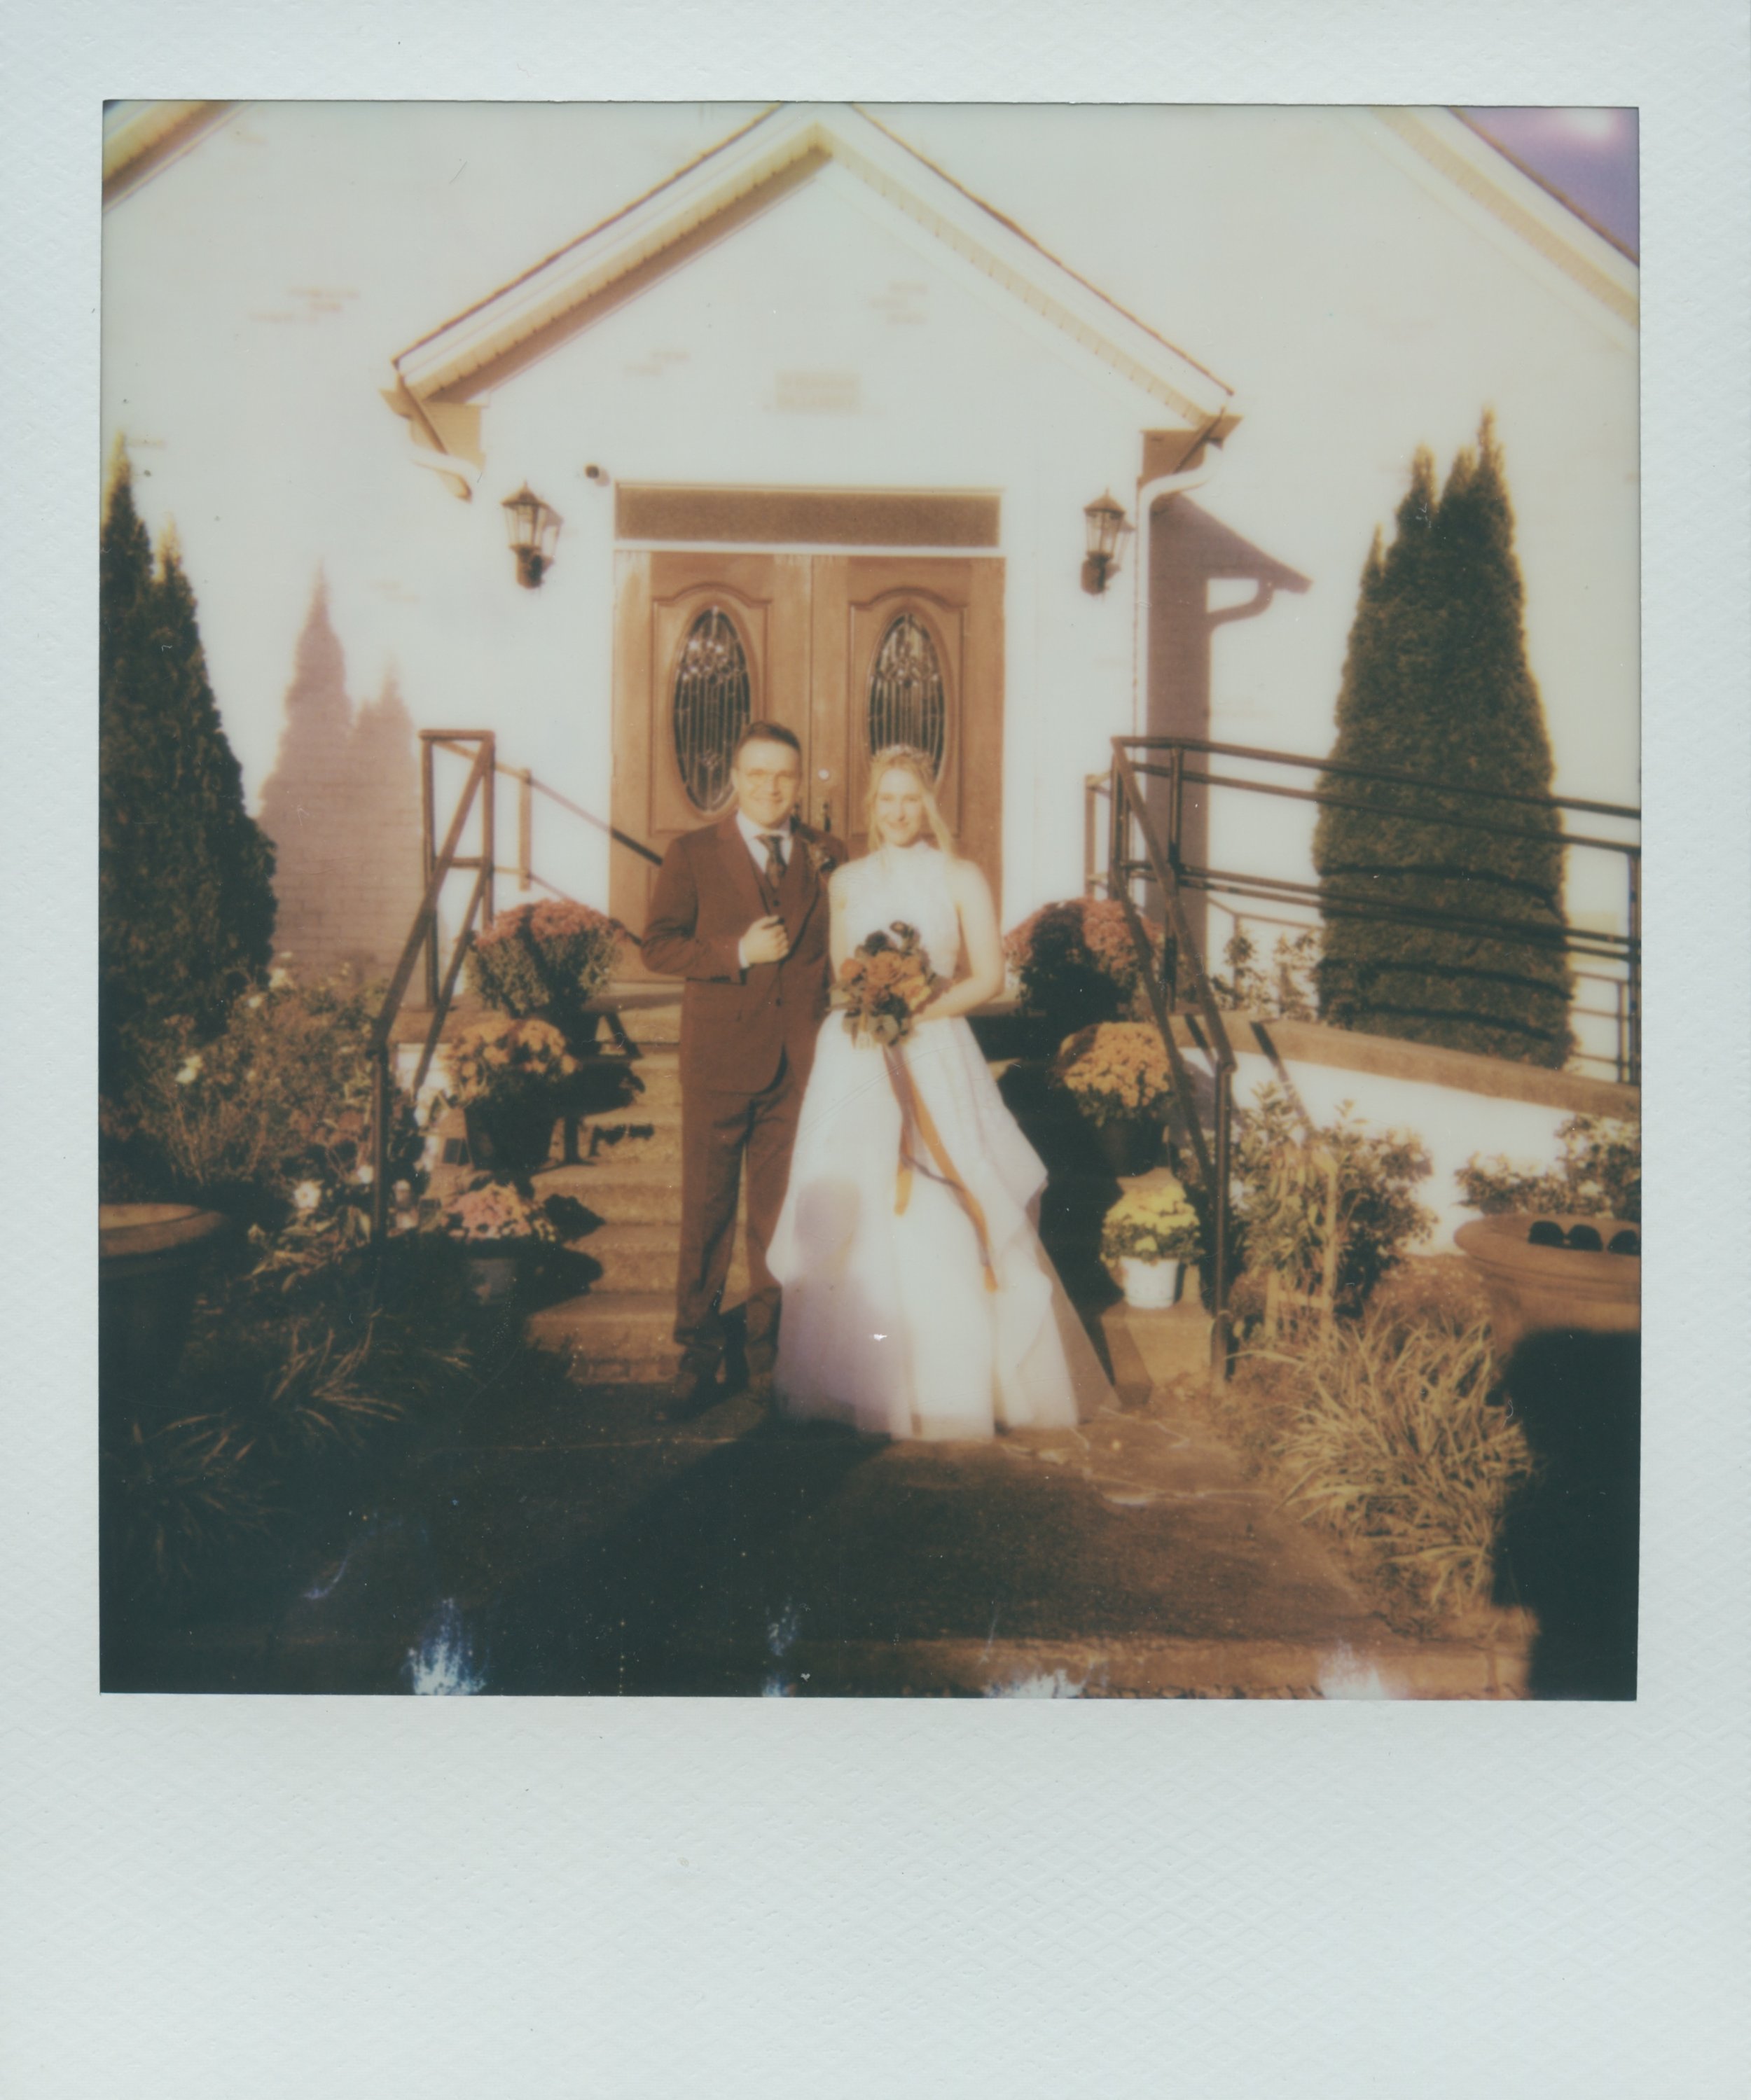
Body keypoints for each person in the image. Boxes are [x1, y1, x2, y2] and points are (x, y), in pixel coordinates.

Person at [767, 747, 1112, 1439]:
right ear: (870, 805)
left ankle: (957, 1384)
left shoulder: (961, 876)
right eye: (886, 799)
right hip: (860, 1054)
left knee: (945, 1198)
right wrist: (869, 1000)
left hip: (933, 1043)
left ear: (928, 804)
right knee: (861, 1202)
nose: (898, 811)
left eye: (910, 799)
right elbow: (840, 975)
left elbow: (988, 978)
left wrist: (915, 1010)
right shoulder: (846, 881)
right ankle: (863, 1385)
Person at [642, 721, 847, 1408]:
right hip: (719, 1061)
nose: (770, 786)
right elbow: (659, 947)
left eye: (783, 775)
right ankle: (696, 1354)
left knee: (775, 1217)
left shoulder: (826, 856)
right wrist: (735, 953)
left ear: (797, 781)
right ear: (733, 777)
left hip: (797, 1063)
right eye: (756, 773)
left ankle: (766, 1360)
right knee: (706, 1213)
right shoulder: (694, 852)